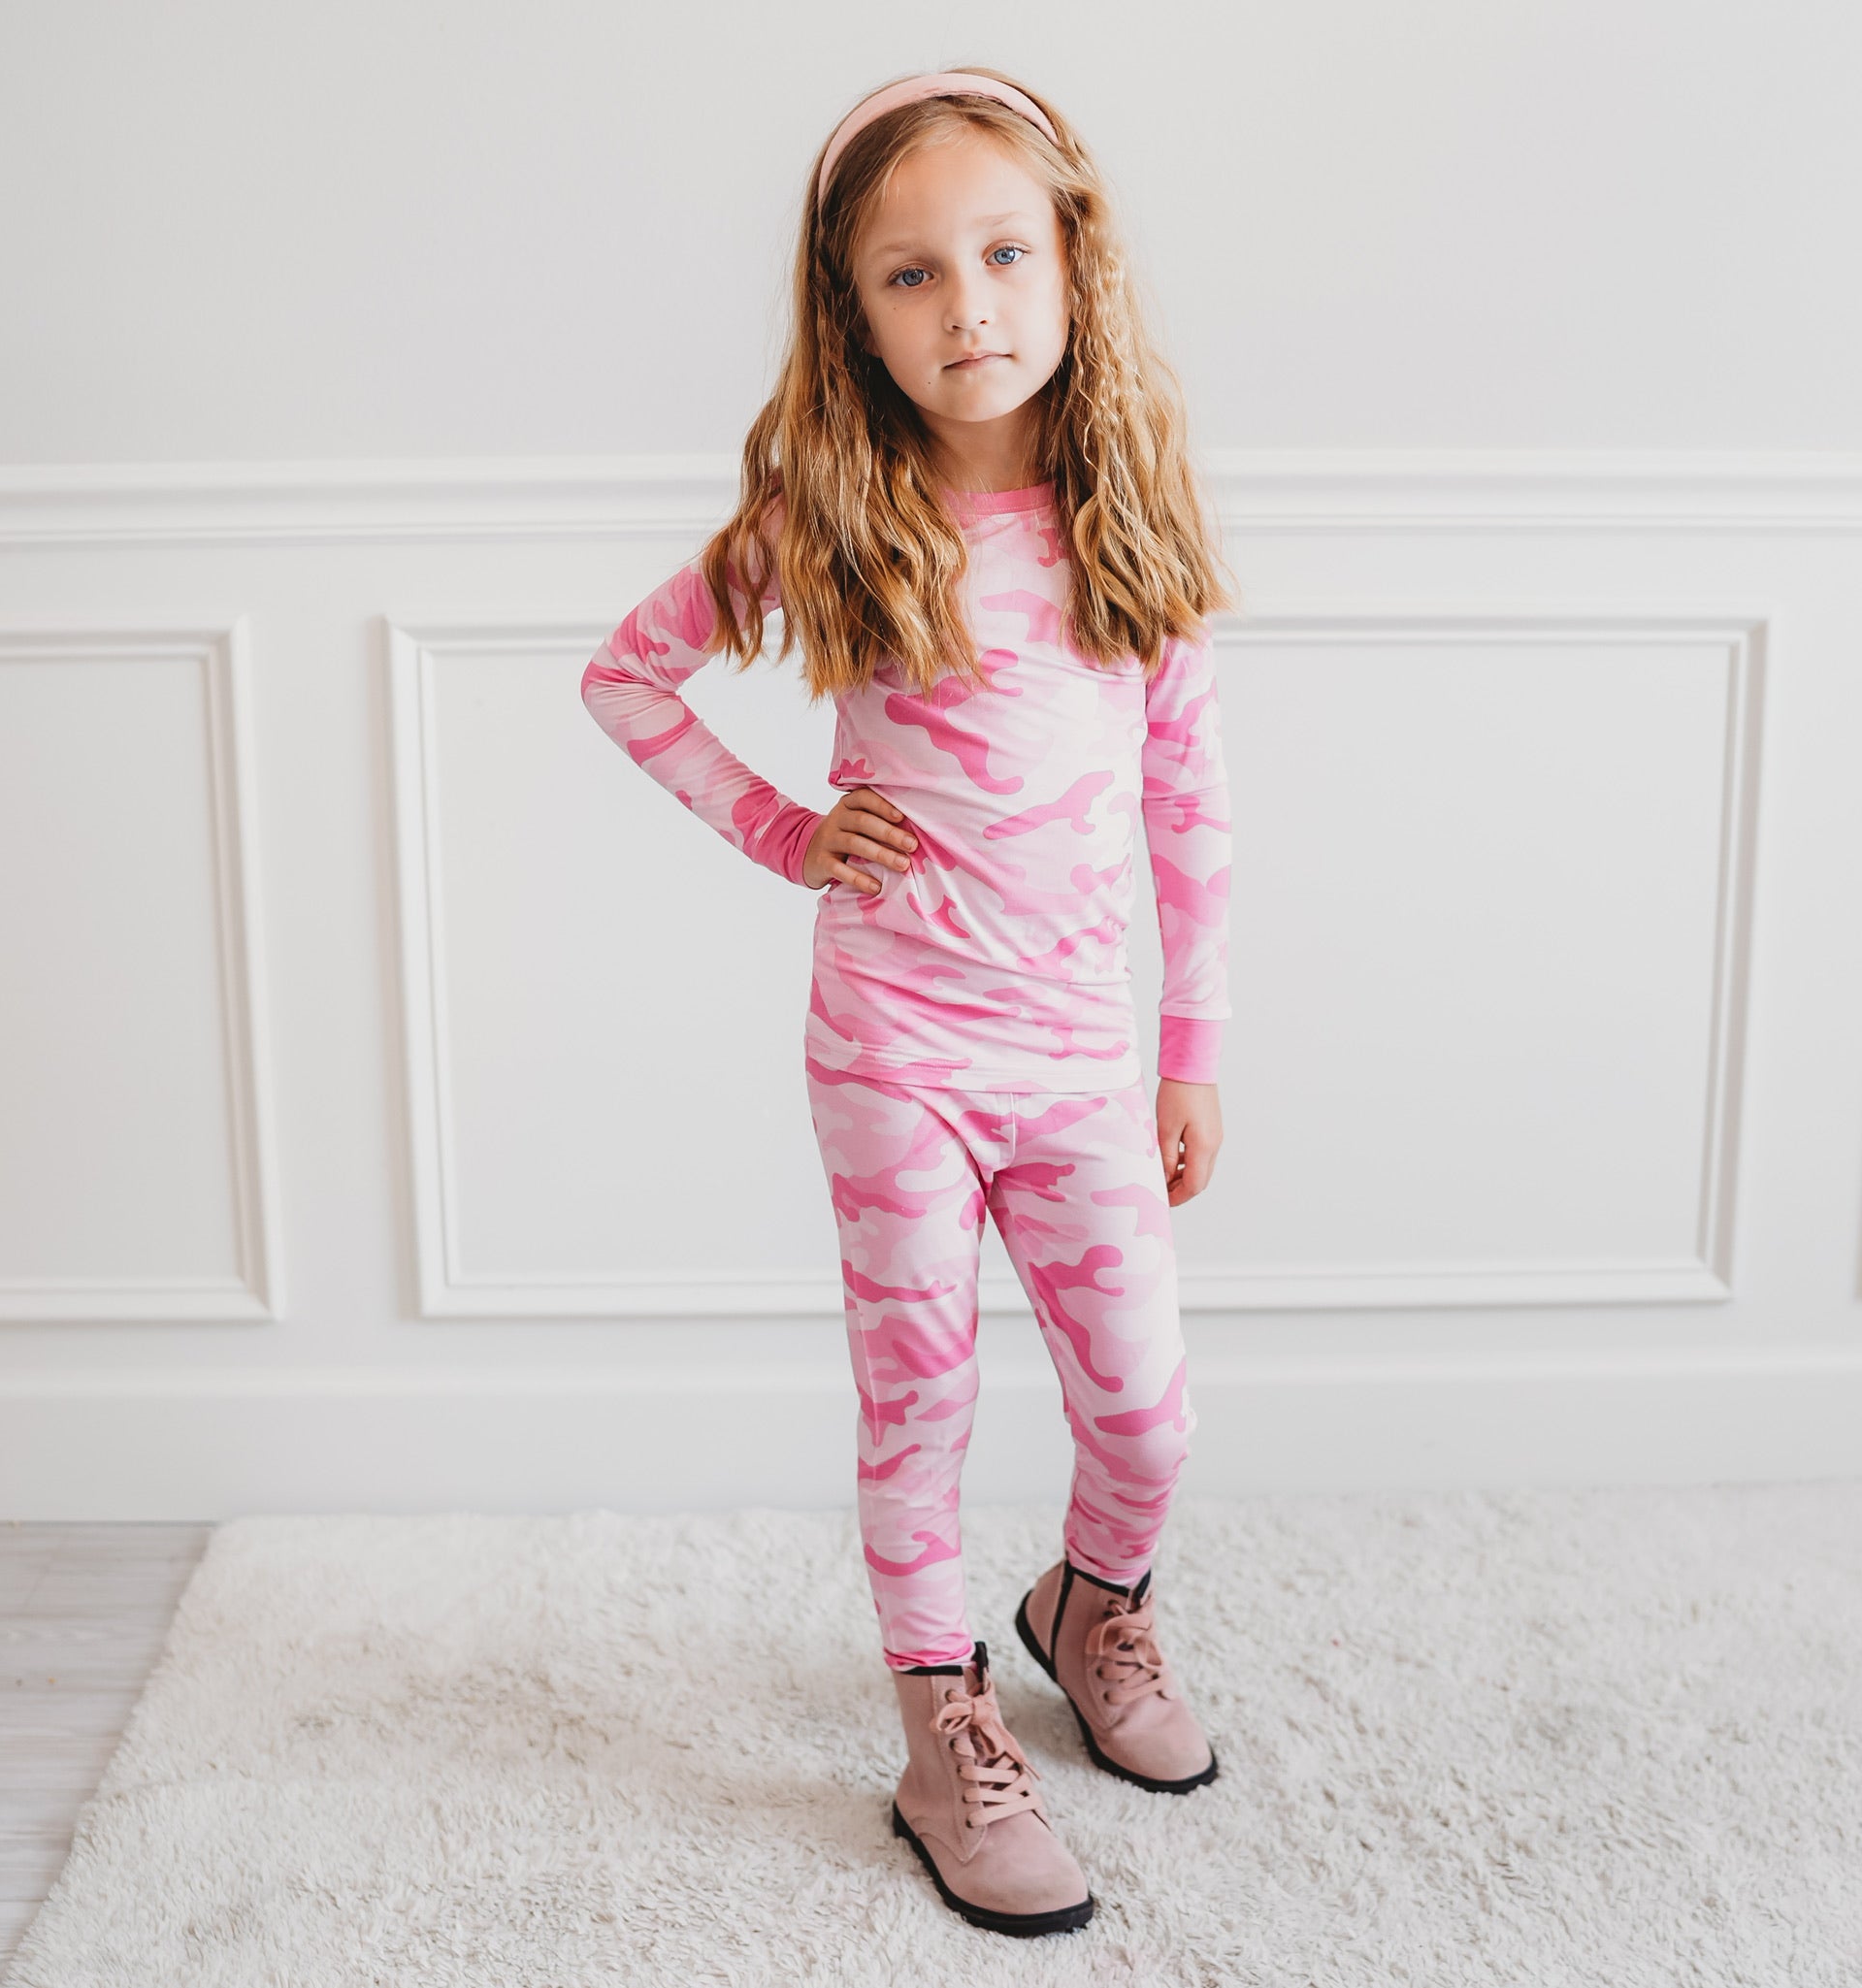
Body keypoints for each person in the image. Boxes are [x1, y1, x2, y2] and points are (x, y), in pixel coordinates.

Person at [579, 65, 1234, 1939]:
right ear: (850, 310)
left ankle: (1088, 1604)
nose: (969, 308)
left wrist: (1187, 1048)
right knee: (918, 1395)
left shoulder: (1122, 515)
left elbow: (1187, 802)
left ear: (1073, 263)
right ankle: (942, 1722)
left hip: (1074, 1050)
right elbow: (625, 680)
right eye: (911, 274)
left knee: (1149, 1415)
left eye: (1004, 255)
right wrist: (787, 831)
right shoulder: (827, 516)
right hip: (895, 1046)